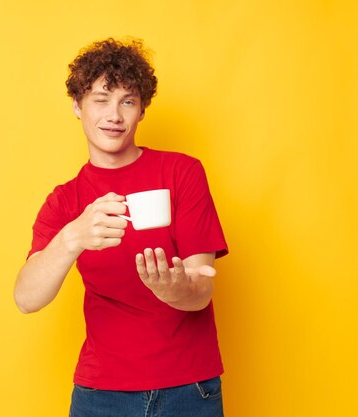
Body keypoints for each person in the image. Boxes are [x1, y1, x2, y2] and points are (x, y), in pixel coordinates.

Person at [14, 38, 229, 417]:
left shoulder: (182, 173)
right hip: (101, 395)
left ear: (142, 109)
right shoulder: (65, 201)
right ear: (77, 106)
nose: (114, 115)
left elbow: (201, 292)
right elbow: (27, 299)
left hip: (189, 388)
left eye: (127, 101)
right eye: (101, 99)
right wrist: (73, 237)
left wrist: (175, 288)